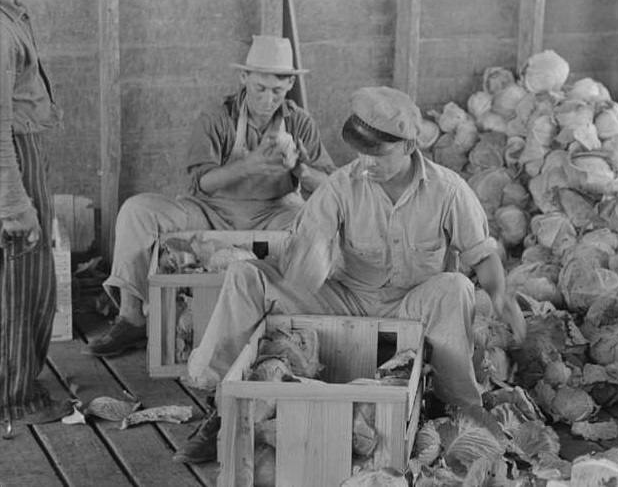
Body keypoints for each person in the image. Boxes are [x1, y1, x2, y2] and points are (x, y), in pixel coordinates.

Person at [173, 86, 527, 464]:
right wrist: (308, 258)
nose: (366, 161)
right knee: (246, 276)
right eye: (361, 150)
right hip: (347, 299)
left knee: (456, 287)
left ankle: (462, 407)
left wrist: (501, 297)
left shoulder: (448, 190)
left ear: (409, 147)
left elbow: (482, 253)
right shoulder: (341, 185)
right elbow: (308, 244)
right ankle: (221, 404)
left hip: (411, 304)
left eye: (378, 153)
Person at [86, 35, 335, 357]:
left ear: (289, 85)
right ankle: (131, 317)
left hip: (275, 211)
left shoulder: (300, 122)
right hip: (211, 209)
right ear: (244, 78)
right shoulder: (217, 118)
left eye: (277, 90)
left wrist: (301, 170)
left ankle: (295, 319)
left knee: (321, 225)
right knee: (137, 210)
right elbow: (202, 183)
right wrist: (250, 165)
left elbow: (330, 185)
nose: (267, 98)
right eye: (259, 88)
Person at [0, 0, 71, 424]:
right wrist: (14, 204)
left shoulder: (12, 9)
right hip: (12, 158)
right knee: (21, 281)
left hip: (26, 150)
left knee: (27, 276)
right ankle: (15, 398)